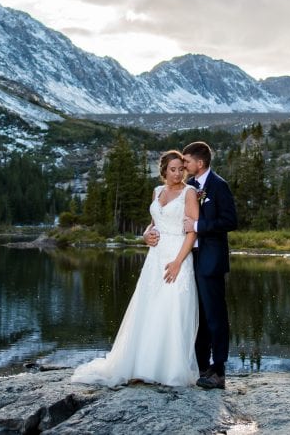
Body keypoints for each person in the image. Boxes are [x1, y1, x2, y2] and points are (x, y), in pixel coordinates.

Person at [70, 150, 200, 387]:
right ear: (164, 171)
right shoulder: (158, 191)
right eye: (173, 169)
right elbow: (153, 223)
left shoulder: (189, 193)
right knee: (148, 309)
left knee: (171, 309)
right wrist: (144, 234)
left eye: (181, 169)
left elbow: (192, 232)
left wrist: (178, 262)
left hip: (176, 256)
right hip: (155, 258)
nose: (178, 173)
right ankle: (141, 366)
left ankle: (169, 370)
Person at [145, 140, 237, 389]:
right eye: (179, 164)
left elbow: (230, 221)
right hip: (189, 259)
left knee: (215, 316)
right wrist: (148, 234)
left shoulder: (218, 186)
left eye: (186, 162)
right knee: (198, 315)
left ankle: (218, 371)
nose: (183, 166)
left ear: (200, 162)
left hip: (210, 260)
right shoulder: (191, 186)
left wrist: (198, 227)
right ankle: (200, 365)